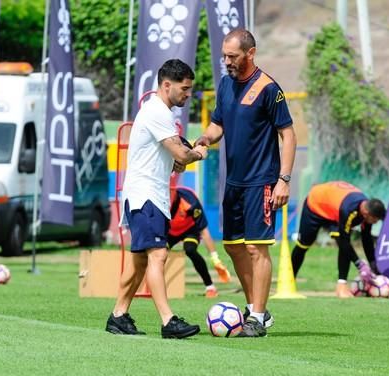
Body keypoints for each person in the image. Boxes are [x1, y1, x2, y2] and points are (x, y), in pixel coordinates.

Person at [195, 29, 297, 337]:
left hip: (262, 181)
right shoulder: (226, 84)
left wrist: (284, 180)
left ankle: (257, 315)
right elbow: (218, 125)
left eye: (233, 56)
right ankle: (255, 308)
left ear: (250, 54)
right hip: (234, 182)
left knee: (256, 248)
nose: (226, 61)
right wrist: (204, 139)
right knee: (234, 246)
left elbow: (288, 135)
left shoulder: (269, 88)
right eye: (224, 56)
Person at [106, 59, 208, 339]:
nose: (188, 94)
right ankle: (168, 320)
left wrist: (183, 158)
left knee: (140, 261)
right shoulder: (156, 112)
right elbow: (181, 155)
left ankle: (118, 316)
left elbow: (175, 160)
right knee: (158, 254)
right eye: (184, 89)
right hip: (145, 195)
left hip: (150, 194)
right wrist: (198, 152)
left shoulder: (161, 113)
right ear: (167, 85)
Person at [290, 181, 386, 298]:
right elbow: (344, 241)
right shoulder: (349, 210)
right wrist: (360, 265)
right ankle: (289, 281)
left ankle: (342, 287)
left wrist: (373, 267)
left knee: (342, 243)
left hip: (334, 210)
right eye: (375, 220)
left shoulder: (366, 209)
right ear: (367, 213)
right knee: (303, 245)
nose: (375, 223)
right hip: (315, 203)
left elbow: (366, 239)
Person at [168, 186, 231, 298]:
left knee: (190, 250)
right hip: (169, 232)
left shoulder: (190, 201)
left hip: (189, 230)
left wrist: (215, 259)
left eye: (170, 191)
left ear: (174, 191)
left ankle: (210, 287)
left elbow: (204, 232)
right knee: (157, 253)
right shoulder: (157, 199)